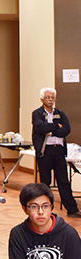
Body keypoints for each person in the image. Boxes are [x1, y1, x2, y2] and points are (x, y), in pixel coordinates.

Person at [32, 87, 81, 216]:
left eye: (52, 97)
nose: (51, 100)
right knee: (45, 182)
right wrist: (55, 126)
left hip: (58, 151)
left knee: (63, 180)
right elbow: (40, 127)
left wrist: (51, 131)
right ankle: (45, 210)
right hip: (45, 151)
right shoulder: (37, 113)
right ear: (42, 99)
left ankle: (72, 209)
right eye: (48, 97)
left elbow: (66, 129)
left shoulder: (60, 113)